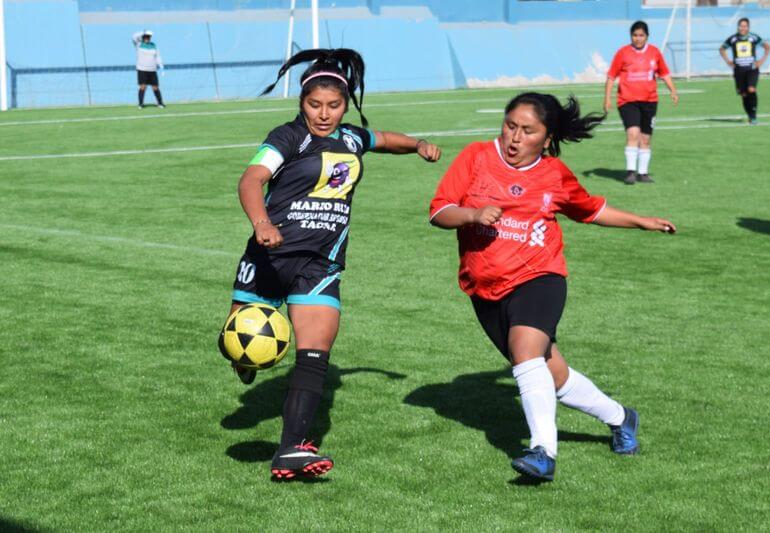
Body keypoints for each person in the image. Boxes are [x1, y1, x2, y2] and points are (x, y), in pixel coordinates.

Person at [429, 92, 676, 482]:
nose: (514, 137)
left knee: (525, 351)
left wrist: (641, 220)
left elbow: (591, 209)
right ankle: (621, 418)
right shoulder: (476, 156)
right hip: (484, 285)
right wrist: (473, 214)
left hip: (539, 277)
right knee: (550, 372)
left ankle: (542, 450)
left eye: (527, 131)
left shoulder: (554, 174)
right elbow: (440, 211)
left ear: (546, 138)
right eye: (510, 125)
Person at [219, 48, 441, 480]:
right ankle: (245, 363)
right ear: (301, 103)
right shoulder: (287, 137)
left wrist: (416, 145)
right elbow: (251, 179)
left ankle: (291, 449)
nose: (324, 114)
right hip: (270, 256)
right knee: (237, 348)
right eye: (314, 105)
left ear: (346, 103)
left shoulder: (352, 139)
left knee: (314, 354)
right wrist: (261, 222)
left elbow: (381, 139)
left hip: (321, 264)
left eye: (334, 106)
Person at [604, 20, 678, 185]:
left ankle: (643, 173)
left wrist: (672, 90)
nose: (638, 38)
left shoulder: (654, 53)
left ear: (647, 36)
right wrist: (607, 98)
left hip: (650, 101)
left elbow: (664, 73)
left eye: (641, 35)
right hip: (627, 101)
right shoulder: (622, 53)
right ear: (631, 36)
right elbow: (611, 76)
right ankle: (630, 172)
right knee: (633, 134)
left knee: (645, 139)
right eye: (635, 35)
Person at [719, 17, 770, 124]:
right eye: (741, 26)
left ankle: (754, 115)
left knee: (751, 89)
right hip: (739, 71)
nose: (743, 28)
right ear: (738, 27)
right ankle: (750, 115)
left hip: (752, 69)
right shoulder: (733, 39)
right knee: (743, 94)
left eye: (745, 26)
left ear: (748, 27)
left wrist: (761, 61)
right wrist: (728, 61)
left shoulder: (753, 37)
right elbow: (722, 49)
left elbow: (767, 46)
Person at [132, 30, 165, 109]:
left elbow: (157, 56)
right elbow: (134, 37)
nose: (147, 38)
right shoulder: (139, 44)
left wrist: (161, 66)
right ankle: (140, 104)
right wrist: (143, 32)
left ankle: (160, 103)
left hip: (152, 70)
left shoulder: (153, 45)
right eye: (146, 37)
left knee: (155, 87)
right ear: (143, 37)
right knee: (143, 87)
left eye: (149, 37)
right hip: (142, 69)